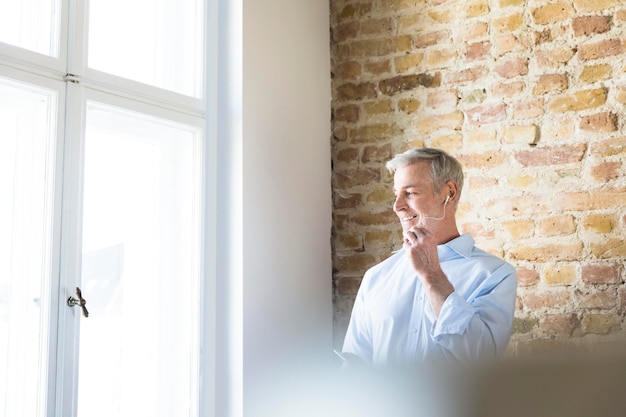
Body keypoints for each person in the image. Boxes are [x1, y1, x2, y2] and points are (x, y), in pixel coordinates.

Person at [341, 148, 517, 366]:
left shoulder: (494, 275)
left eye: (411, 193)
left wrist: (431, 274)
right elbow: (353, 366)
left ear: (448, 194)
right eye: (396, 194)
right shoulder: (376, 278)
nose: (397, 206)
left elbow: (481, 358)